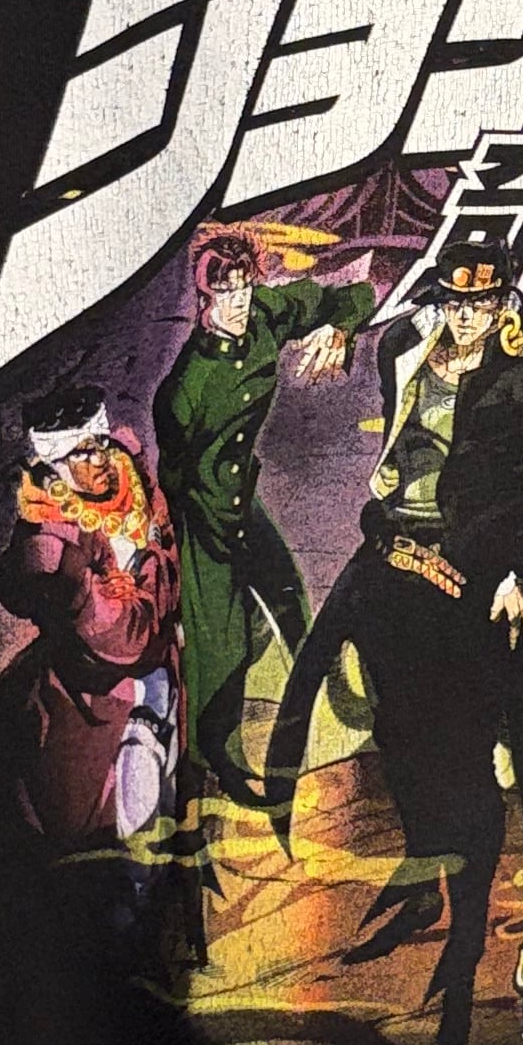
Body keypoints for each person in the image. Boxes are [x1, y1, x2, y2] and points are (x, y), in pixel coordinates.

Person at [265, 234, 523, 1045]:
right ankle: (422, 881)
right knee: (397, 731)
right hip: (394, 561)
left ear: (505, 300)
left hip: (481, 577)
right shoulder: (407, 342)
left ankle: (468, 937)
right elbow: (366, 301)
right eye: (455, 302)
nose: (467, 318)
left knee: (465, 750)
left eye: (483, 303)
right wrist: (340, 324)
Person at [149, 231, 373, 799]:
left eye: (245, 285)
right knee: (220, 652)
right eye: (225, 291)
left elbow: (357, 294)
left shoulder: (268, 314)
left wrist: (338, 329)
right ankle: (212, 766)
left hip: (242, 501)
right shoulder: (187, 387)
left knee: (291, 598)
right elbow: (174, 478)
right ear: (204, 298)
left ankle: (328, 705)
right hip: (202, 521)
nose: (239, 300)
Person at [0, 402, 183, 852]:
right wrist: (142, 573)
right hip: (99, 703)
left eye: (99, 445)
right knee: (125, 822)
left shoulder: (134, 483)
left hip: (163, 677)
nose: (99, 460)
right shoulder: (51, 539)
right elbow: (127, 636)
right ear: (55, 466)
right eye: (81, 454)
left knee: (166, 797)